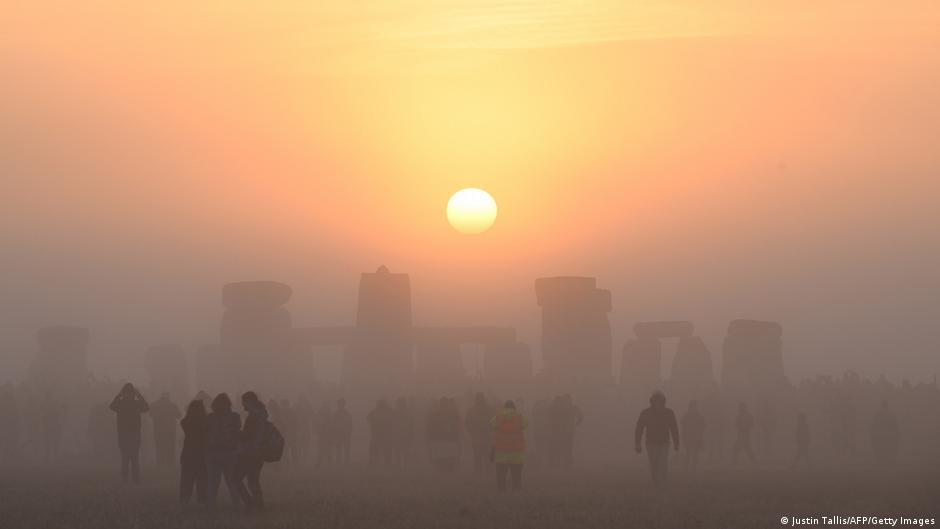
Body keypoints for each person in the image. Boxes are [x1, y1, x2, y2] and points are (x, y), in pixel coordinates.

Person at [206, 393, 250, 510]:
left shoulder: (210, 417)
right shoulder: (235, 417)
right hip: (230, 452)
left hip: (213, 452)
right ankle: (236, 505)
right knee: (232, 481)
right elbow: (237, 432)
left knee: (213, 483)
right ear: (229, 404)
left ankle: (211, 506)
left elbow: (206, 434)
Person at [634, 390, 680, 487]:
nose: (658, 402)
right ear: (652, 401)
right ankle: (656, 482)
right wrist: (637, 443)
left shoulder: (669, 413)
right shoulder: (646, 413)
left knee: (663, 463)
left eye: (660, 400)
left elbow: (674, 428)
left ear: (663, 401)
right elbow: (639, 428)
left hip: (664, 443)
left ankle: (663, 482)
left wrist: (676, 443)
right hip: (651, 443)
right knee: (654, 464)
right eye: (656, 400)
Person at [110, 383, 149, 484]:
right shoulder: (136, 403)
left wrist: (119, 395)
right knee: (135, 457)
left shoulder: (120, 404)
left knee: (124, 457)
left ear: (123, 392)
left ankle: (125, 479)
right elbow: (146, 407)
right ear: (133, 393)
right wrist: (139, 395)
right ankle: (135, 479)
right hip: (135, 433)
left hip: (123, 434)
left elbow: (111, 406)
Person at [239, 391, 269, 512]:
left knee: (236, 478)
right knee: (253, 480)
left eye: (244, 402)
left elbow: (248, 435)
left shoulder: (254, 416)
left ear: (249, 402)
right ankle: (258, 505)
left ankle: (251, 504)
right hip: (259, 451)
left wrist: (236, 433)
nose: (243, 405)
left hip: (251, 452)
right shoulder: (262, 414)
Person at [491, 400, 528, 492]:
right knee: (516, 475)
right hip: (516, 452)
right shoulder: (519, 417)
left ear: (504, 407)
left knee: (501, 475)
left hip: (501, 452)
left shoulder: (498, 417)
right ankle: (516, 491)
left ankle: (501, 491)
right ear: (514, 407)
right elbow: (526, 423)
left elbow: (491, 424)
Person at [180, 399, 208, 505]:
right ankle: (202, 501)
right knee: (202, 479)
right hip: (202, 453)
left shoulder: (185, 422)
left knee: (186, 479)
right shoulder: (206, 422)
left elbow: (184, 420)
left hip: (188, 453)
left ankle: (184, 500)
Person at [426, 397, 461, 472]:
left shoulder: (436, 415)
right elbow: (457, 427)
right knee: (447, 460)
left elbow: (430, 428)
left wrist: (431, 438)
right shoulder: (452, 415)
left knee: (443, 460)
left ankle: (444, 471)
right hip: (446, 441)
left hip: (443, 441)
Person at [149, 392, 182, 468]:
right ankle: (170, 465)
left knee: (159, 448)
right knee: (170, 448)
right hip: (170, 431)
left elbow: (150, 414)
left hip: (158, 431)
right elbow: (179, 415)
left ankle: (160, 465)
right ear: (168, 397)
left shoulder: (155, 405)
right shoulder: (172, 405)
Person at [464, 392, 494, 473]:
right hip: (486, 436)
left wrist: (471, 432)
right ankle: (488, 471)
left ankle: (479, 472)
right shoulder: (489, 409)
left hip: (477, 437)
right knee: (486, 455)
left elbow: (467, 423)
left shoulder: (471, 410)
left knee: (478, 455)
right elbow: (494, 422)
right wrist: (491, 431)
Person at [871, 400, 899, 465]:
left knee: (880, 448)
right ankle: (888, 462)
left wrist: (873, 435)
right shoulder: (891, 415)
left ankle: (881, 462)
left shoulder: (878, 415)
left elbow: (874, 426)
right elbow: (895, 426)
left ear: (882, 405)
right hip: (889, 435)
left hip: (880, 435)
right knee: (889, 448)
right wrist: (896, 435)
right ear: (887, 405)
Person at [40, 392, 65, 463]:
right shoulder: (53, 404)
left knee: (49, 442)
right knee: (53, 442)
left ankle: (49, 457)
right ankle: (53, 457)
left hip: (50, 426)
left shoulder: (46, 405)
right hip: (52, 426)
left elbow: (43, 416)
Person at [681, 400, 705, 472]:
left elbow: (703, 425)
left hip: (696, 436)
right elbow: (683, 424)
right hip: (689, 436)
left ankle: (693, 466)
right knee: (688, 451)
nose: (694, 408)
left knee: (695, 452)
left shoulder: (698, 415)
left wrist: (700, 434)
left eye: (694, 406)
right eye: (693, 406)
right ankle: (687, 466)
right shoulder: (687, 415)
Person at [392, 397, 414, 467]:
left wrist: (411, 434)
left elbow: (411, 425)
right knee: (400, 450)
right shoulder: (406, 413)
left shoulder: (396, 413)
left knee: (402, 450)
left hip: (403, 434)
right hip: (401, 434)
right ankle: (401, 464)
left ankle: (402, 464)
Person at [332, 398, 352, 464]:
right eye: (340, 403)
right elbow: (332, 424)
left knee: (346, 449)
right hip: (338, 434)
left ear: (344, 404)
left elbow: (350, 424)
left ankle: (346, 462)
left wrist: (349, 432)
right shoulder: (335, 414)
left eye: (342, 403)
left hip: (345, 434)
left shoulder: (347, 414)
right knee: (338, 448)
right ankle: (339, 462)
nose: (341, 405)